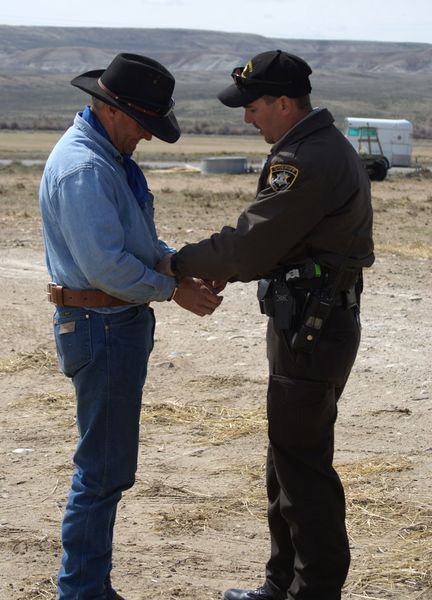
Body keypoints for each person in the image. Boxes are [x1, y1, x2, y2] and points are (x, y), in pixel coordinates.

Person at [157, 50, 374, 600]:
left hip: (311, 325)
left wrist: (178, 263)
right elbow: (280, 243)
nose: (248, 120)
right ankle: (282, 585)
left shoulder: (304, 157)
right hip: (310, 319)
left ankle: (311, 591)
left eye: (253, 108)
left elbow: (252, 242)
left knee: (301, 467)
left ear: (282, 102)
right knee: (289, 459)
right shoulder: (314, 148)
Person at [39, 52, 222, 600]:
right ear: (114, 110)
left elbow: (132, 246)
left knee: (106, 467)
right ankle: (82, 591)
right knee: (102, 472)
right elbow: (107, 267)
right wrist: (173, 289)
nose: (145, 134)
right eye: (144, 123)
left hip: (109, 324)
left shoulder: (106, 157)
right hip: (102, 324)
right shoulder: (87, 168)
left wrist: (174, 262)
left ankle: (87, 586)